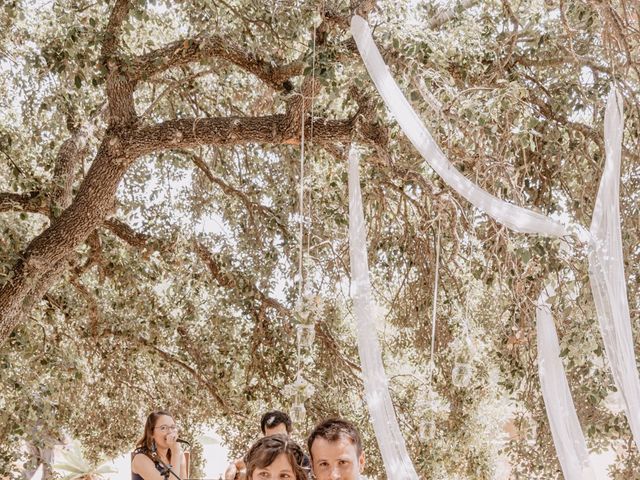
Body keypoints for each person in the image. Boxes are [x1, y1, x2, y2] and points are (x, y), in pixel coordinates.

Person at [224, 410, 310, 480]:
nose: (276, 443)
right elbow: (235, 464)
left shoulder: (302, 459)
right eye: (271, 438)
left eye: (284, 476)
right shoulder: (258, 456)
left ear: (289, 434)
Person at [132, 410, 187, 480]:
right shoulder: (140, 459)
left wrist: (176, 454)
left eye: (173, 427)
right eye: (163, 428)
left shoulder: (180, 456)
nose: (170, 432)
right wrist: (175, 453)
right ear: (151, 433)